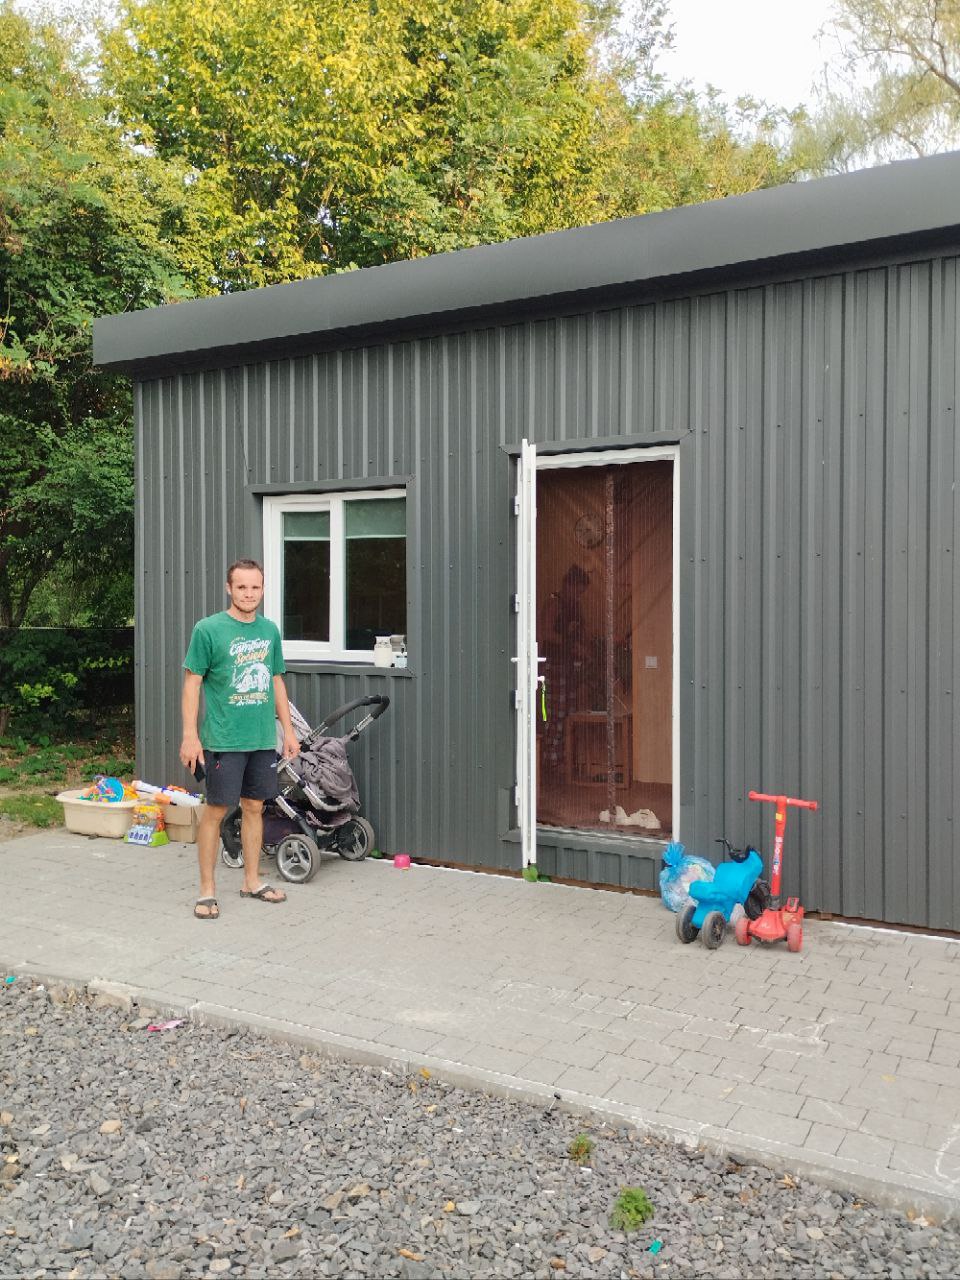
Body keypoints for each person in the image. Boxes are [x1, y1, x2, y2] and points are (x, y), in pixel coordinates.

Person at [179, 559, 300, 920]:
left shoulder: (269, 631)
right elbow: (192, 683)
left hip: (261, 739)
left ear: (263, 589)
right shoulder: (208, 630)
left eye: (255, 587)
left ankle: (252, 881)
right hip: (223, 739)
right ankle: (206, 891)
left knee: (254, 807)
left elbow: (276, 681)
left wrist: (288, 731)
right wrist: (189, 735)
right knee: (216, 810)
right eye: (242, 587)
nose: (249, 594)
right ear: (229, 588)